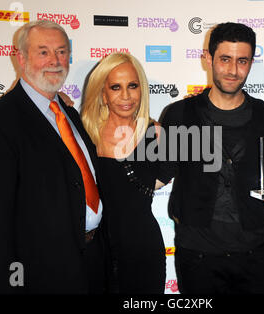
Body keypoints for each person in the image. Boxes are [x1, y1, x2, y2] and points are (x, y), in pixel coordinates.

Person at [0, 20, 105, 294]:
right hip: (38, 280)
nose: (55, 61)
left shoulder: (69, 115)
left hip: (88, 268)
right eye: (43, 52)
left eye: (62, 52)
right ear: (21, 58)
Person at [157, 22, 264, 294]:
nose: (233, 70)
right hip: (197, 254)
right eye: (225, 59)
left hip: (255, 252)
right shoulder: (178, 115)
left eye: (242, 61)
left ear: (251, 62)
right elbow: (160, 174)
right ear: (208, 59)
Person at [80, 52, 166, 294]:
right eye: (116, 87)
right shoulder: (84, 134)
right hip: (96, 250)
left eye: (133, 86)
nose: (126, 96)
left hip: (143, 249)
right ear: (103, 94)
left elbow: (167, 173)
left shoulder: (155, 133)